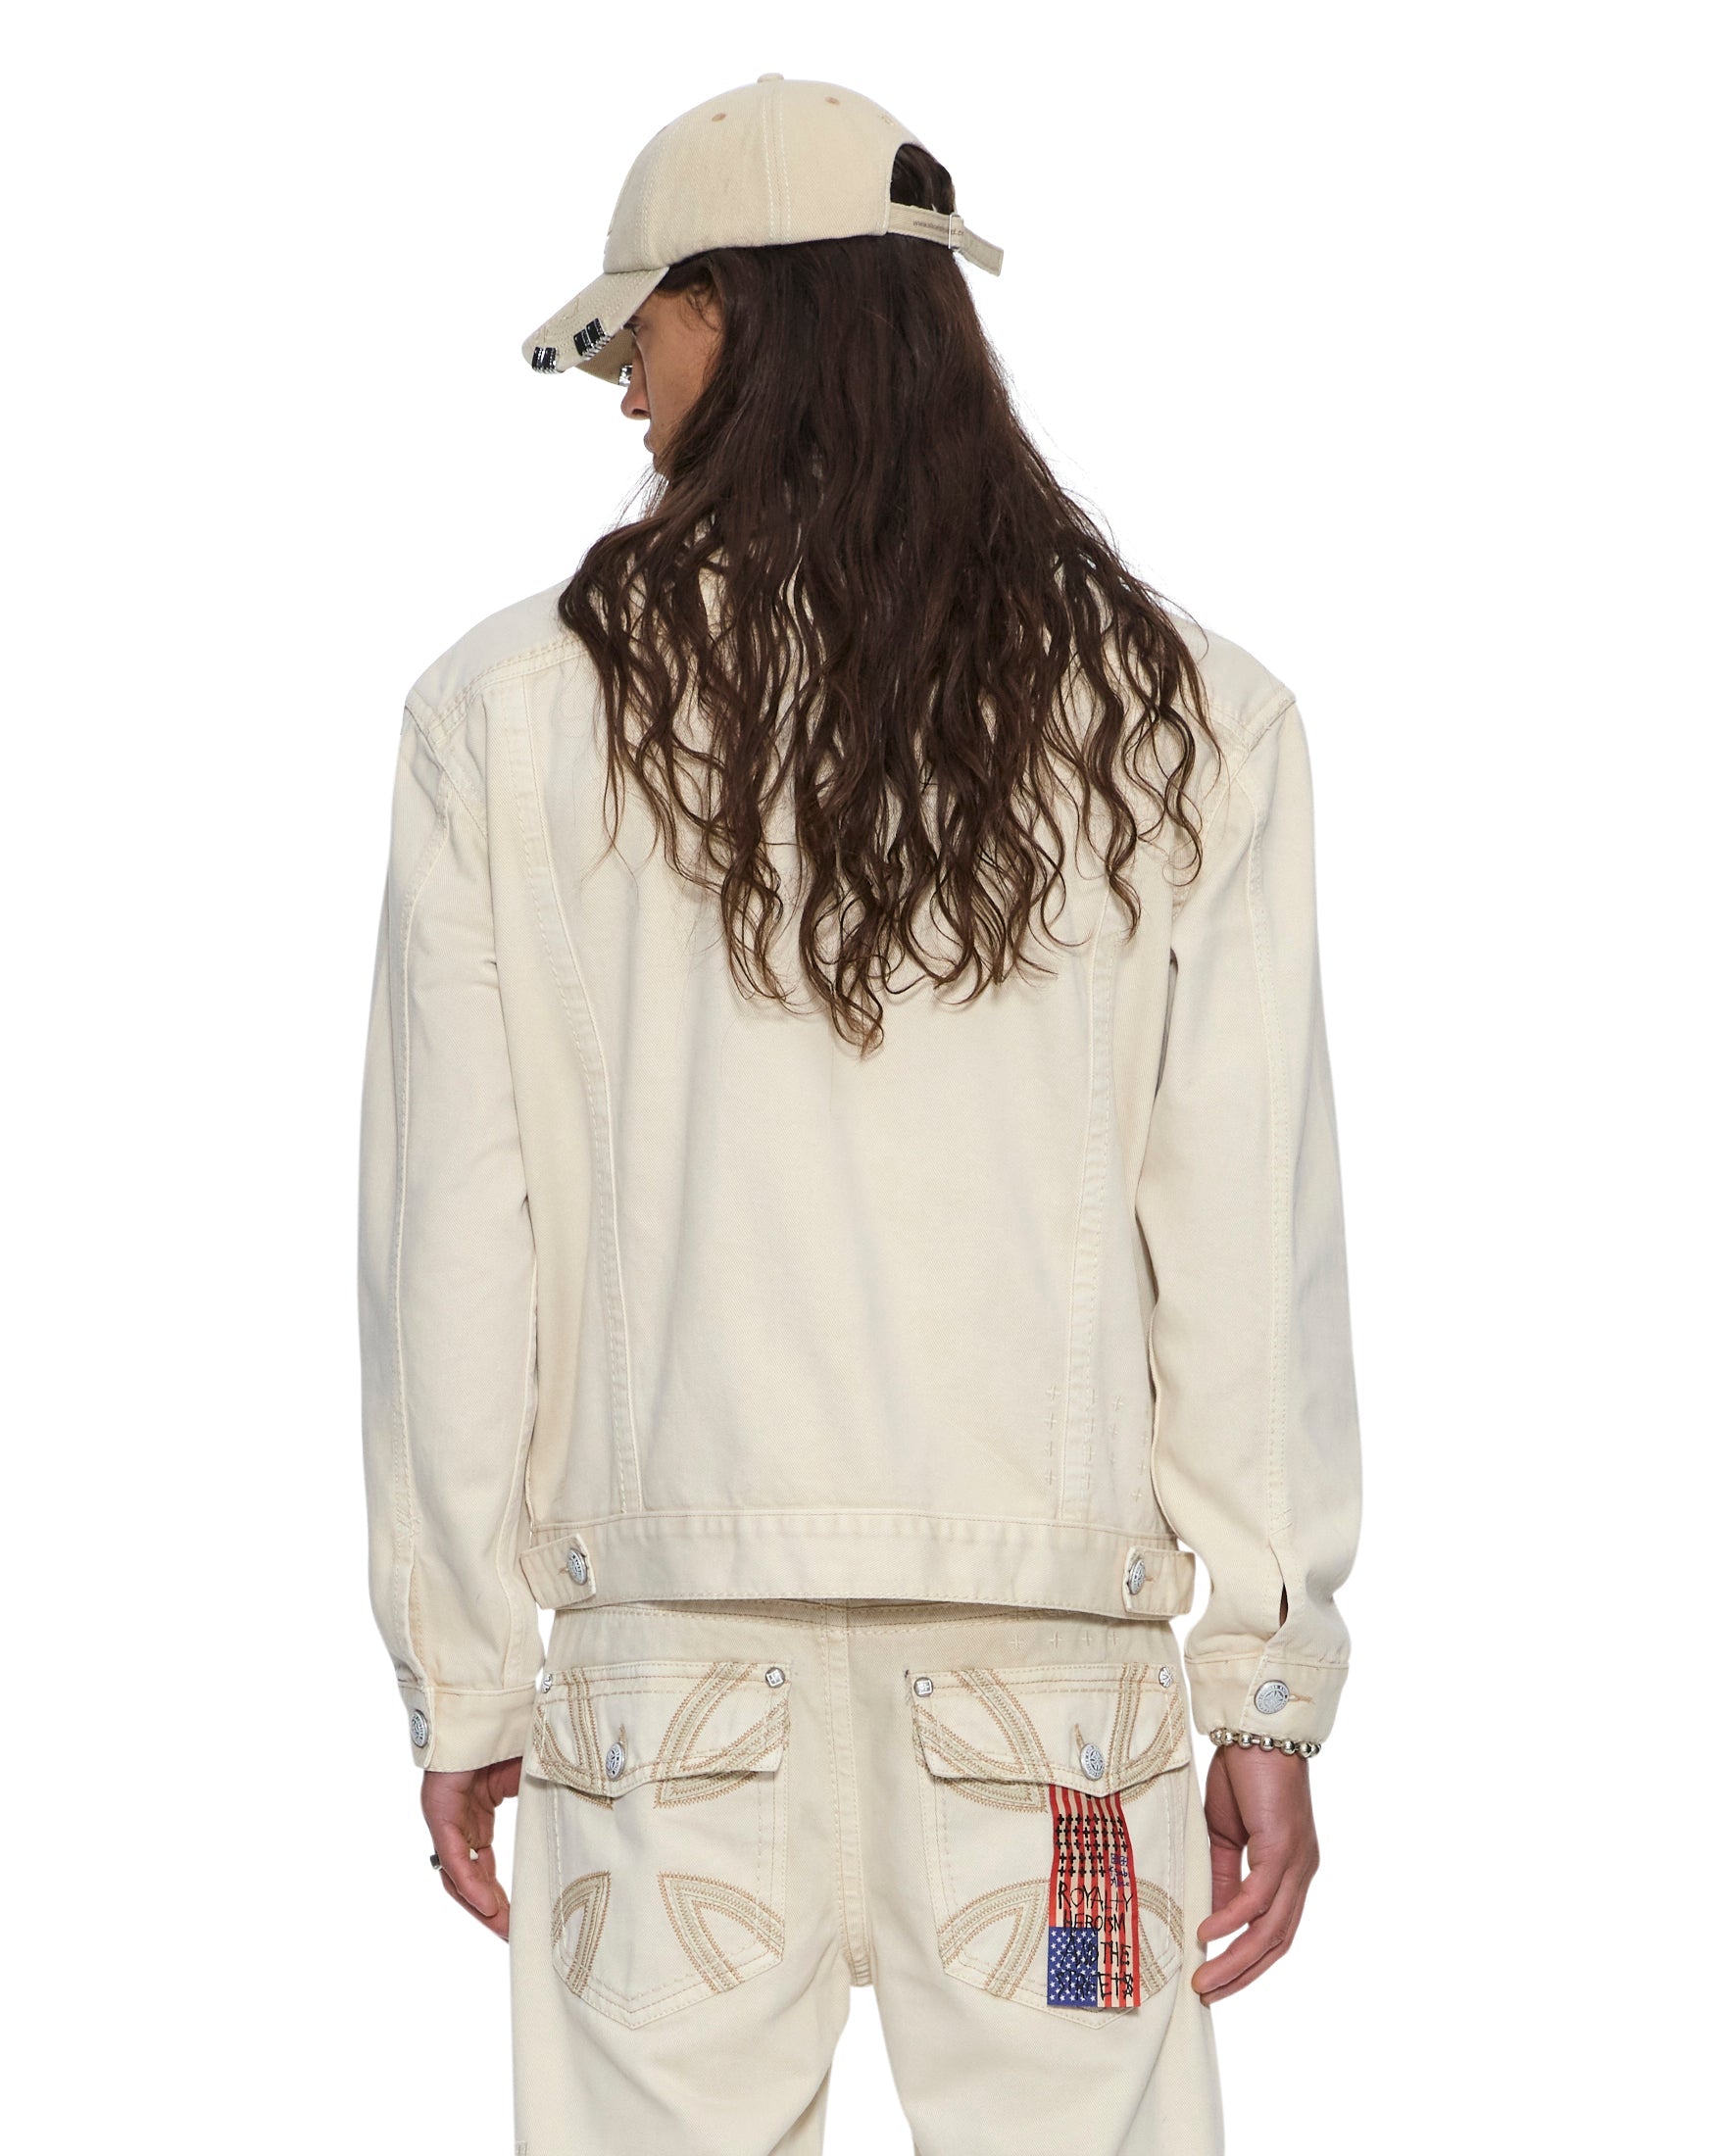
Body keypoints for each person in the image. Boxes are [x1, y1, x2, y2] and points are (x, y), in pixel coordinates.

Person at [358, 72, 1361, 2156]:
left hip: (664, 1700)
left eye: (640, 329)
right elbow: (1243, 1239)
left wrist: (464, 1672)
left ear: (740, 306)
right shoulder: (1186, 718)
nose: (623, 387)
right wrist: (1262, 1680)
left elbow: (454, 1236)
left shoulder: (511, 713)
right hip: (1053, 1710)